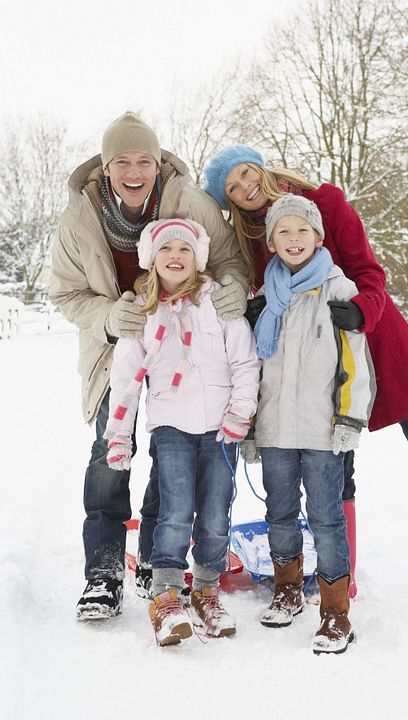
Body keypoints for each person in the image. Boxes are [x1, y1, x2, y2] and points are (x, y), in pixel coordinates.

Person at [202, 144, 408, 589]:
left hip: (372, 333)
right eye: (231, 188)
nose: (243, 187)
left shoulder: (326, 202)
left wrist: (363, 309)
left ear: (259, 167)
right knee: (337, 458)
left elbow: (369, 271)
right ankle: (344, 577)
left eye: (243, 174)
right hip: (317, 357)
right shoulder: (251, 239)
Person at [49, 113, 250, 620]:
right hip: (114, 345)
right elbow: (66, 293)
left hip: (184, 349)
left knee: (173, 454)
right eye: (123, 161)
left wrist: (229, 291)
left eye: (144, 160)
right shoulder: (80, 218)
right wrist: (108, 316)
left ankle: (154, 564)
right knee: (109, 452)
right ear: (106, 166)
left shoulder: (189, 204)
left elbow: (229, 260)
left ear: (157, 165)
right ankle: (103, 573)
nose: (134, 171)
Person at [104, 217, 260, 646]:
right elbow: (126, 381)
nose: (176, 257)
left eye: (185, 250)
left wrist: (240, 413)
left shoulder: (219, 306)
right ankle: (167, 594)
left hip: (220, 429)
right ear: (152, 259)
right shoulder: (143, 311)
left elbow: (245, 364)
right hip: (171, 426)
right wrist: (119, 436)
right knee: (174, 511)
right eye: (167, 250)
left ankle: (207, 589)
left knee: (214, 513)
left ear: (198, 259)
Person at [248, 194, 374, 654]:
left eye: (303, 230)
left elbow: (356, 365)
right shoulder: (264, 298)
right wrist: (248, 424)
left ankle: (335, 611)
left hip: (324, 431)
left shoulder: (339, 291)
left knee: (325, 517)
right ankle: (287, 589)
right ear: (272, 243)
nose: (294, 238)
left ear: (318, 238)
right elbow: (251, 368)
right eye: (284, 231)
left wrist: (349, 419)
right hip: (276, 428)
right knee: (279, 511)